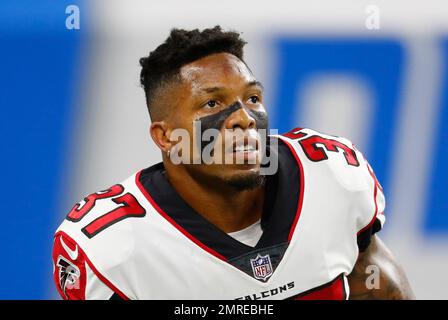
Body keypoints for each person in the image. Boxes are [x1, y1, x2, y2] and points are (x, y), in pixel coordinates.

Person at [52, 26, 414, 300]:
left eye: (252, 97)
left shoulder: (332, 176)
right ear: (165, 137)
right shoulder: (114, 247)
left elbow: (377, 283)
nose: (243, 117)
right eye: (212, 104)